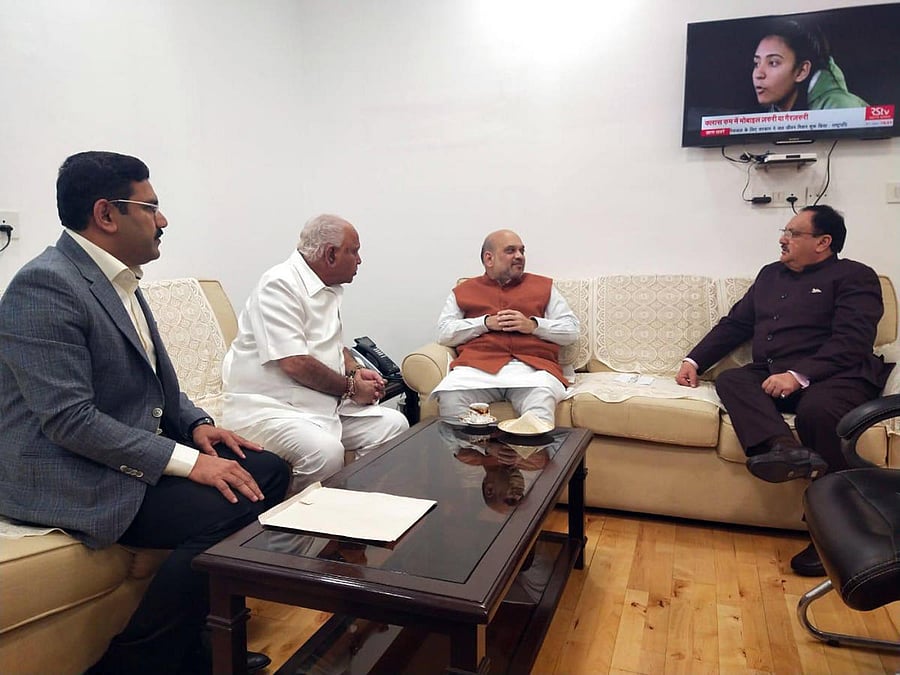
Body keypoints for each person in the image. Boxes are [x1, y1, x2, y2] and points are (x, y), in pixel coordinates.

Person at [0, 151, 290, 674]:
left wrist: (199, 426)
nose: (163, 220)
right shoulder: (44, 285)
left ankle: (188, 642)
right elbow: (68, 419)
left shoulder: (122, 280)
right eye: (151, 207)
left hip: (116, 453)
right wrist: (188, 463)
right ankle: (138, 662)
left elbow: (159, 384)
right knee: (230, 505)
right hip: (66, 471)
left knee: (268, 470)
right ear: (106, 214)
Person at [676, 205, 894, 577]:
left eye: (794, 233)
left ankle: (832, 537)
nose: (783, 238)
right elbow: (736, 325)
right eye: (785, 231)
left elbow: (852, 341)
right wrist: (694, 361)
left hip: (839, 374)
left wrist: (799, 375)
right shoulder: (770, 275)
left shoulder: (855, 277)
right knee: (732, 379)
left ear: (824, 242)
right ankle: (784, 450)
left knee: (818, 412)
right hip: (776, 373)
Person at [221, 214, 409, 495]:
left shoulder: (327, 287)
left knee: (394, 425)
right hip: (270, 407)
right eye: (354, 251)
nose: (359, 260)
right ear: (331, 254)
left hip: (320, 404)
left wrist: (355, 370)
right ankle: (291, 533)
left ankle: (356, 510)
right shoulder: (279, 284)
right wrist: (350, 387)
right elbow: (294, 362)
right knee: (325, 452)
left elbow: (333, 345)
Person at [432, 229, 579, 425]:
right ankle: (468, 455)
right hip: (478, 369)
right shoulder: (463, 291)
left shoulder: (543, 286)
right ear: (489, 258)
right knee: (452, 395)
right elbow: (444, 333)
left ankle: (532, 455)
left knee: (540, 399)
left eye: (522, 251)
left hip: (532, 370)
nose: (519, 256)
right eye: (510, 251)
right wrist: (484, 323)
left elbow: (571, 330)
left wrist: (533, 325)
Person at [752, 19, 868, 112]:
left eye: (773, 63)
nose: (758, 74)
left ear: (802, 71)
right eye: (757, 63)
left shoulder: (839, 106)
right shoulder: (775, 111)